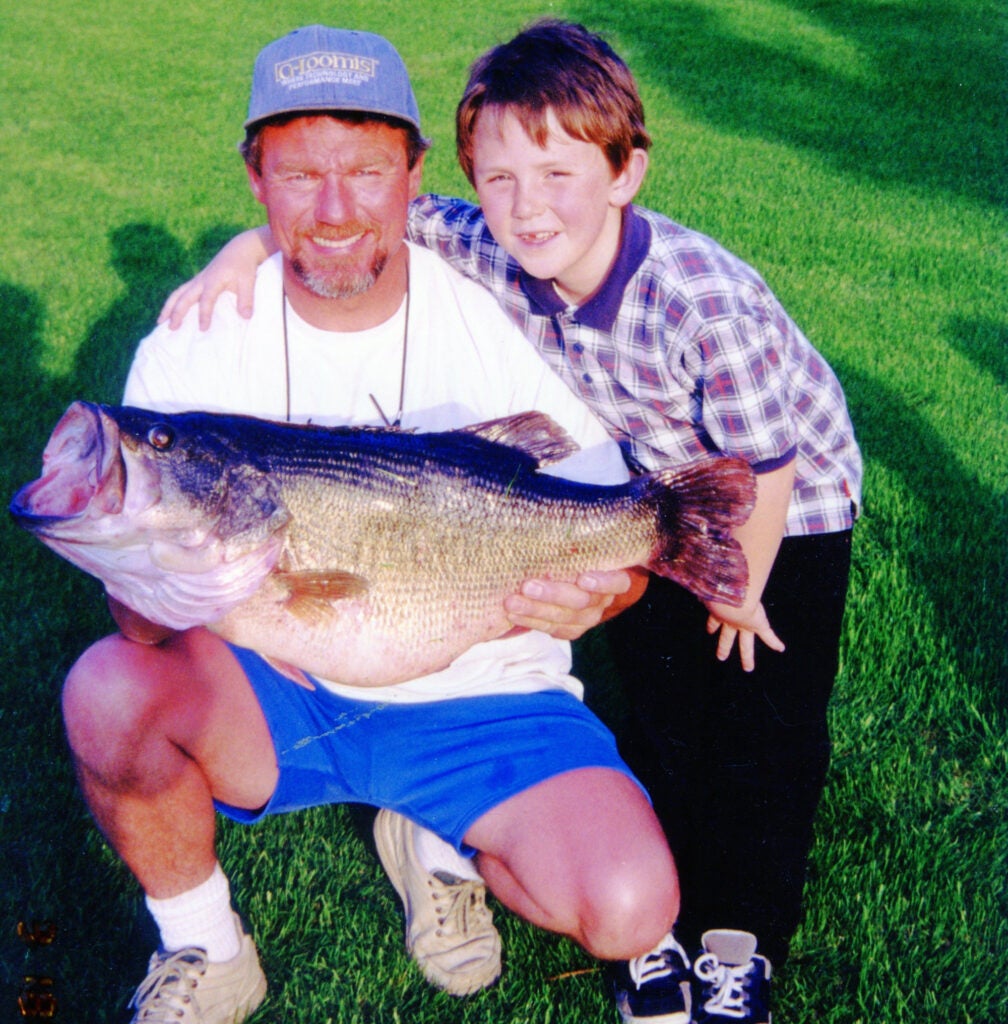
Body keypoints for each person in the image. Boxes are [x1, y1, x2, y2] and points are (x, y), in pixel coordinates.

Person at [162, 18, 864, 1024]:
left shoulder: (704, 305)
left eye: (558, 176)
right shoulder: (491, 238)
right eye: (499, 179)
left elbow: (774, 457)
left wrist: (739, 588)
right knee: (663, 704)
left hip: (789, 504)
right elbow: (374, 215)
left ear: (627, 171)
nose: (527, 209)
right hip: (652, 485)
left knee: (760, 718)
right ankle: (659, 912)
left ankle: (737, 935)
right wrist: (244, 247)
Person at [63, 25, 698, 1024]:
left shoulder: (488, 316)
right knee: (106, 687)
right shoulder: (195, 341)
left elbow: (598, 524)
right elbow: (146, 630)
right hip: (276, 687)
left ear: (413, 171)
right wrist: (139, 583)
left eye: (365, 170)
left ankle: (437, 832)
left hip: (485, 691)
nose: (333, 210)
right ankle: (206, 946)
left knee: (629, 907)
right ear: (254, 177)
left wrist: (603, 588)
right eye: (299, 172)